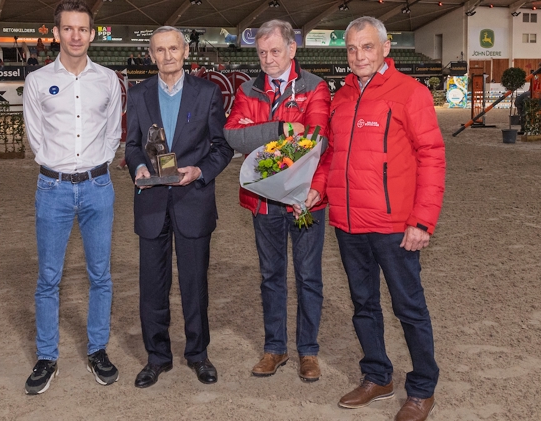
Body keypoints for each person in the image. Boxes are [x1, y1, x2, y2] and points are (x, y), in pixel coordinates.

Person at [308, 16, 445, 421]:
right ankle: (377, 375)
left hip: (395, 226)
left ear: (386, 48)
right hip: (349, 223)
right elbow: (331, 154)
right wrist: (319, 187)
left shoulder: (411, 93)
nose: (359, 55)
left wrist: (422, 220)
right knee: (364, 304)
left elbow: (432, 157)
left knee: (408, 308)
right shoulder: (342, 97)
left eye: (367, 47)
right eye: (351, 48)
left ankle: (422, 389)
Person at [22, 0, 122, 395]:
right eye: (68, 29)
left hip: (99, 187)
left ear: (92, 34)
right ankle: (47, 356)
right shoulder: (36, 80)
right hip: (53, 188)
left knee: (101, 275)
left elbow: (114, 131)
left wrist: (97, 164)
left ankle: (97, 350)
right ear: (56, 33)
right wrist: (59, 167)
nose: (76, 36)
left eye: (82, 29)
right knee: (49, 278)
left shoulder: (109, 80)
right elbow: (35, 136)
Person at [124, 26, 233, 389]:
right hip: (152, 203)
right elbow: (133, 145)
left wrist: (199, 171)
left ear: (185, 52)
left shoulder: (207, 93)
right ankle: (157, 358)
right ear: (151, 55)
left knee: (194, 284)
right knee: (152, 287)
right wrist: (138, 165)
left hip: (192, 201)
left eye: (173, 49)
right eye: (160, 50)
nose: (167, 55)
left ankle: (198, 354)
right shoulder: (138, 95)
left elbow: (222, 147)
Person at [223, 19, 330, 383]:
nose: (267, 59)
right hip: (264, 202)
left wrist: (315, 186)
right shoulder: (248, 88)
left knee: (308, 277)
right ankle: (275, 347)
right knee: (271, 276)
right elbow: (233, 136)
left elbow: (318, 140)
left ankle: (309, 351)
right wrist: (281, 129)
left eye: (275, 51)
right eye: (262, 53)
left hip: (305, 201)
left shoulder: (315, 87)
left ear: (292, 49)